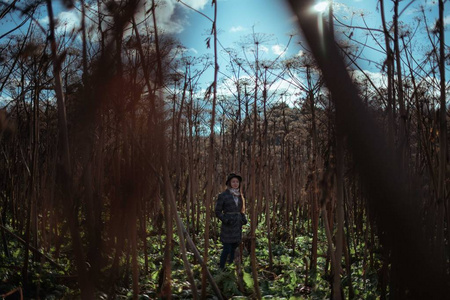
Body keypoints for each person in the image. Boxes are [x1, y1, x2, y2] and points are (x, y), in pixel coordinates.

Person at [215, 173, 248, 270]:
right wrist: (225, 219)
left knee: (234, 247)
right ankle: (221, 267)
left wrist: (243, 218)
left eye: (237, 182)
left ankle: (230, 265)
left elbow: (241, 210)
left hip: (237, 225)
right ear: (229, 183)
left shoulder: (240, 195)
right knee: (227, 248)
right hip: (228, 226)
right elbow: (217, 211)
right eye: (233, 181)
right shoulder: (223, 195)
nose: (235, 183)